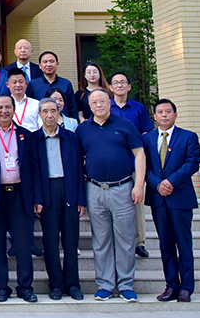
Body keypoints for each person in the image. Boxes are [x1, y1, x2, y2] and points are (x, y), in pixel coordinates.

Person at [76, 89, 145, 302]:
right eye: (94, 102)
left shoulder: (125, 125)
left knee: (125, 239)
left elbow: (139, 153)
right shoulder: (82, 129)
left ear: (109, 102)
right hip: (95, 189)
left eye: (102, 101)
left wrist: (139, 185)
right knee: (101, 240)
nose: (98, 105)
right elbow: (78, 160)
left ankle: (125, 285)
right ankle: (105, 284)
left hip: (122, 188)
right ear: (89, 106)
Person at [0, 95, 38, 303]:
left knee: (23, 245)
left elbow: (34, 168)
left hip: (20, 195)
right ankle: (1, 287)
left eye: (8, 107)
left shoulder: (26, 135)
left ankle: (25, 287)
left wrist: (36, 198)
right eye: (0, 107)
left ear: (14, 109)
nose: (4, 111)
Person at [144, 99, 200, 303]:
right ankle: (171, 285)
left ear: (175, 114)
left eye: (168, 111)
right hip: (158, 199)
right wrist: (157, 183)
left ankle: (186, 287)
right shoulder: (147, 139)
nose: (164, 115)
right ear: (155, 116)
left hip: (180, 198)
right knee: (166, 244)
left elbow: (192, 163)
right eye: (160, 112)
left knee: (183, 243)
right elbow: (143, 166)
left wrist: (170, 182)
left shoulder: (188, 137)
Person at [31, 97, 85, 301]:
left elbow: (79, 169)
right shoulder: (34, 139)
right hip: (47, 192)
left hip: (69, 189)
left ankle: (73, 284)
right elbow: (34, 172)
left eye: (53, 110)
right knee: (51, 241)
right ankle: (55, 284)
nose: (49, 115)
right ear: (40, 115)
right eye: (45, 111)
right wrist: (37, 199)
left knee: (71, 241)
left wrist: (80, 199)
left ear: (59, 112)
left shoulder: (71, 138)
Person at [109, 72, 154, 258]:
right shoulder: (106, 107)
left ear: (129, 86)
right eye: (115, 83)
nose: (119, 85)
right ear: (110, 87)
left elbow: (147, 133)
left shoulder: (138, 108)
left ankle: (139, 242)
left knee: (136, 203)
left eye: (123, 82)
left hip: (134, 161)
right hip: (113, 162)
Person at [28, 51, 78, 119]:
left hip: (63, 122)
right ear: (40, 66)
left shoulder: (66, 83)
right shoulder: (33, 84)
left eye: (51, 61)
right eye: (45, 62)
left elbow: (72, 108)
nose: (48, 64)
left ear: (57, 64)